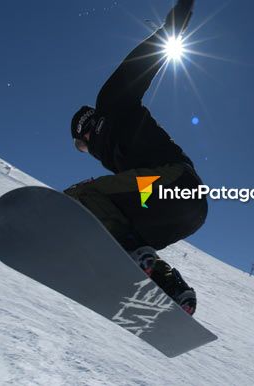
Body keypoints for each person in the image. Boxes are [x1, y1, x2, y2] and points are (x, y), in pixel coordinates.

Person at [64, 0, 205, 316]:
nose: (87, 152)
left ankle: (128, 254)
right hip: (188, 212)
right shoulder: (118, 158)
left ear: (86, 130)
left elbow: (140, 64)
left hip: (174, 182)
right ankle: (173, 289)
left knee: (82, 195)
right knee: (125, 235)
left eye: (81, 146)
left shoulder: (111, 107)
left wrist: (174, 23)